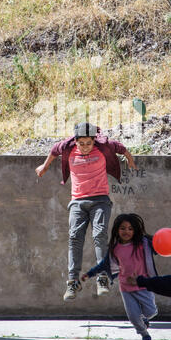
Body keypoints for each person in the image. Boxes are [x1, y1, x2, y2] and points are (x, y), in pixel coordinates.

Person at [35, 122, 137, 301]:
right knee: (74, 238)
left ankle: (102, 278)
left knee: (99, 235)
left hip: (100, 200)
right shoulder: (68, 148)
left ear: (94, 141)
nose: (84, 147)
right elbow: (54, 150)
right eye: (81, 143)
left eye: (88, 143)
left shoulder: (104, 147)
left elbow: (121, 148)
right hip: (78, 202)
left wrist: (130, 160)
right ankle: (73, 281)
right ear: (75, 141)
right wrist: (44, 166)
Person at [81, 213, 158, 340]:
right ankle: (145, 336)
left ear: (135, 230)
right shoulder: (115, 249)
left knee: (151, 312)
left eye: (130, 228)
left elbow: (159, 247)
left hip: (144, 285)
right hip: (126, 288)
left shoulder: (143, 244)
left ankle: (144, 319)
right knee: (133, 317)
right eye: (123, 228)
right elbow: (104, 265)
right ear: (117, 230)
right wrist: (89, 274)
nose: (126, 231)